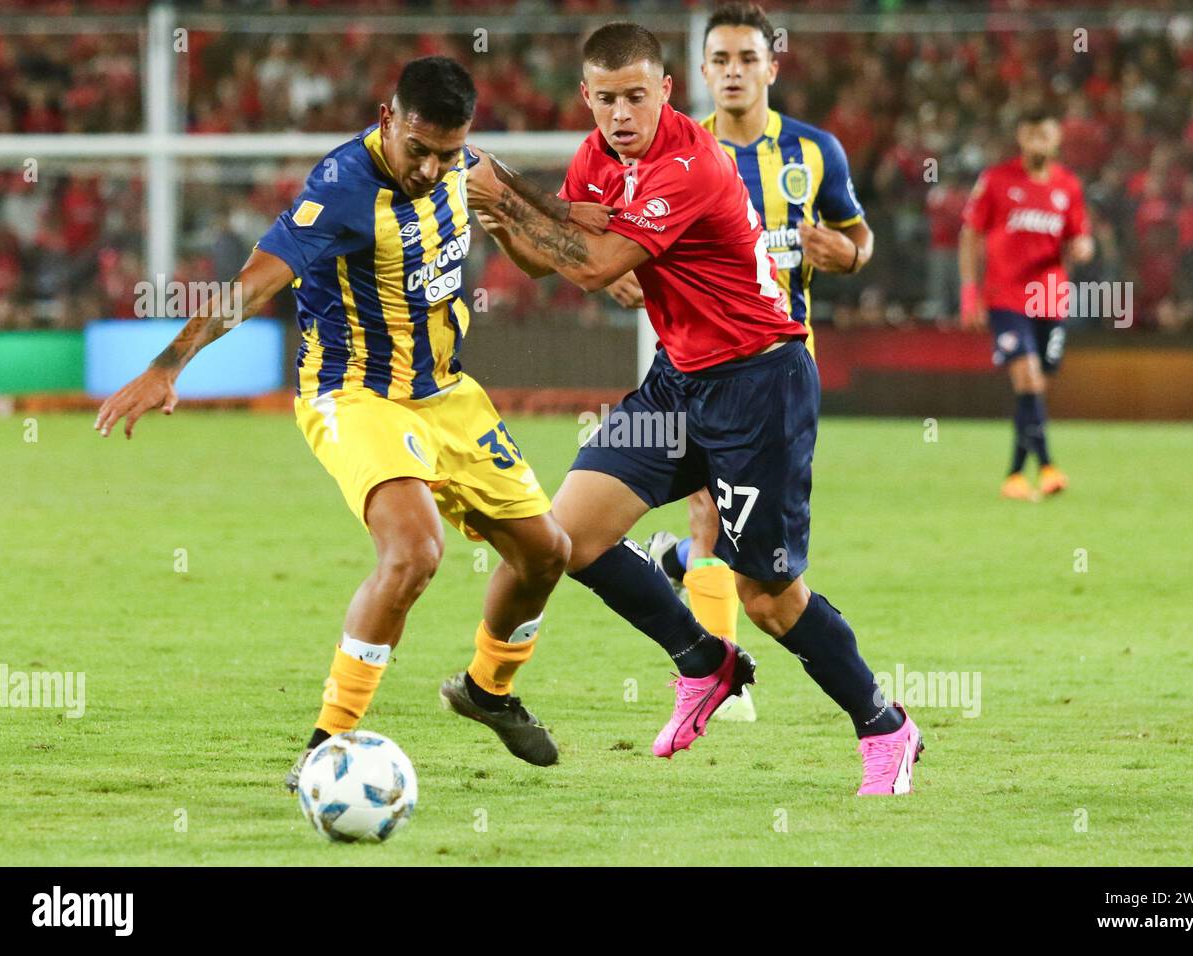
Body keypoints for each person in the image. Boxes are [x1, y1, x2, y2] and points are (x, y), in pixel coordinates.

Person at [93, 57, 610, 787]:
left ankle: (487, 690)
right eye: (418, 150)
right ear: (386, 119)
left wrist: (556, 214)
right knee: (414, 552)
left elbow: (496, 177)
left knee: (546, 552)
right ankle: (326, 748)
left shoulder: (461, 163)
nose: (432, 168)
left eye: (448, 152)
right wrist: (168, 364)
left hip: (445, 393)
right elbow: (253, 282)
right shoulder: (341, 192)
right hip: (355, 394)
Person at [467, 23, 921, 795]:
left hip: (761, 387)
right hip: (678, 380)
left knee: (769, 599)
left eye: (636, 97)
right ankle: (704, 660)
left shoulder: (689, 163)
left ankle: (886, 726)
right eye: (606, 99)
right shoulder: (596, 158)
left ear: (667, 92)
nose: (620, 115)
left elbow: (599, 265)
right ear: (587, 96)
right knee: (569, 538)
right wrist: (511, 225)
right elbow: (552, 259)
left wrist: (509, 194)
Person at [959, 108, 1094, 501]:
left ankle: (1015, 475)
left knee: (1033, 389)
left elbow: (1079, 236)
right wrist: (970, 291)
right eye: (1031, 134)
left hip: (1051, 297)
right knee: (1029, 379)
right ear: (1021, 137)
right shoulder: (997, 181)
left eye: (1045, 135)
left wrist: (1084, 247)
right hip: (1007, 298)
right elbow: (971, 234)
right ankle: (1049, 467)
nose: (1039, 142)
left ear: (1056, 140)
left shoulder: (1068, 186)